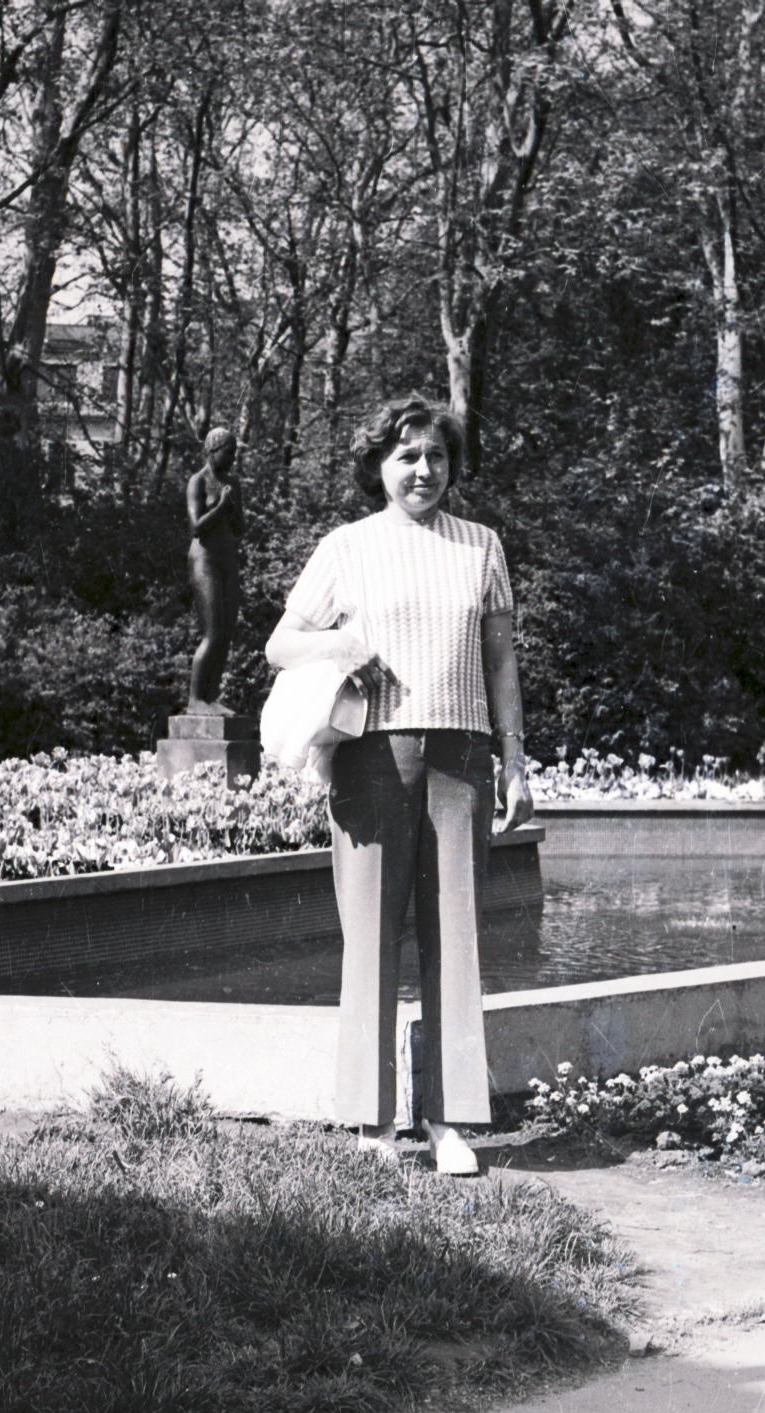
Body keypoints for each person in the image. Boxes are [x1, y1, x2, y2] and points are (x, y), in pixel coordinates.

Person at [265, 393, 533, 1174]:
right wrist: (346, 645)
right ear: (379, 466)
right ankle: (372, 1124)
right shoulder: (345, 548)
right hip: (372, 755)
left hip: (461, 754)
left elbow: (502, 662)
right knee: (372, 936)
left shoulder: (482, 546)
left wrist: (514, 760)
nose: (423, 470)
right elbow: (282, 644)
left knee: (456, 934)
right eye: (407, 456)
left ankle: (448, 1123)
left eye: (436, 456)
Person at [187, 427, 244, 708]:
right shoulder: (198, 482)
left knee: (226, 633)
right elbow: (197, 527)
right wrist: (222, 505)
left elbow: (239, 529)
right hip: (204, 559)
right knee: (212, 631)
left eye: (234, 453)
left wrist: (234, 506)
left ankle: (212, 697)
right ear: (213, 450)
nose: (232, 458)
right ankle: (195, 699)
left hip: (226, 560)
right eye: (228, 452)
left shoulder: (233, 483)